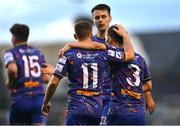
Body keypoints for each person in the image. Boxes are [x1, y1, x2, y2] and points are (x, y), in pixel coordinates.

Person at [41, 20, 134, 125]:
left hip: (76, 108)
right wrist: (125, 35)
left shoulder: (68, 54)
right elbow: (130, 55)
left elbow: (53, 82)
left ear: (75, 36)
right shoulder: (104, 53)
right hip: (96, 109)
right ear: (91, 34)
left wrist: (46, 102)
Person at [59, 24, 155, 125]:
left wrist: (70, 45)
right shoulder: (140, 59)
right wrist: (132, 91)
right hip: (138, 113)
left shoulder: (111, 55)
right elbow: (148, 85)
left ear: (109, 39)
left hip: (117, 111)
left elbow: (94, 46)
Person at [3, 23, 49, 125]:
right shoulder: (38, 53)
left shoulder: (11, 53)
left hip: (21, 98)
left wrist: (10, 82)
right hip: (39, 100)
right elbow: (46, 79)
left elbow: (12, 70)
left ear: (14, 37)